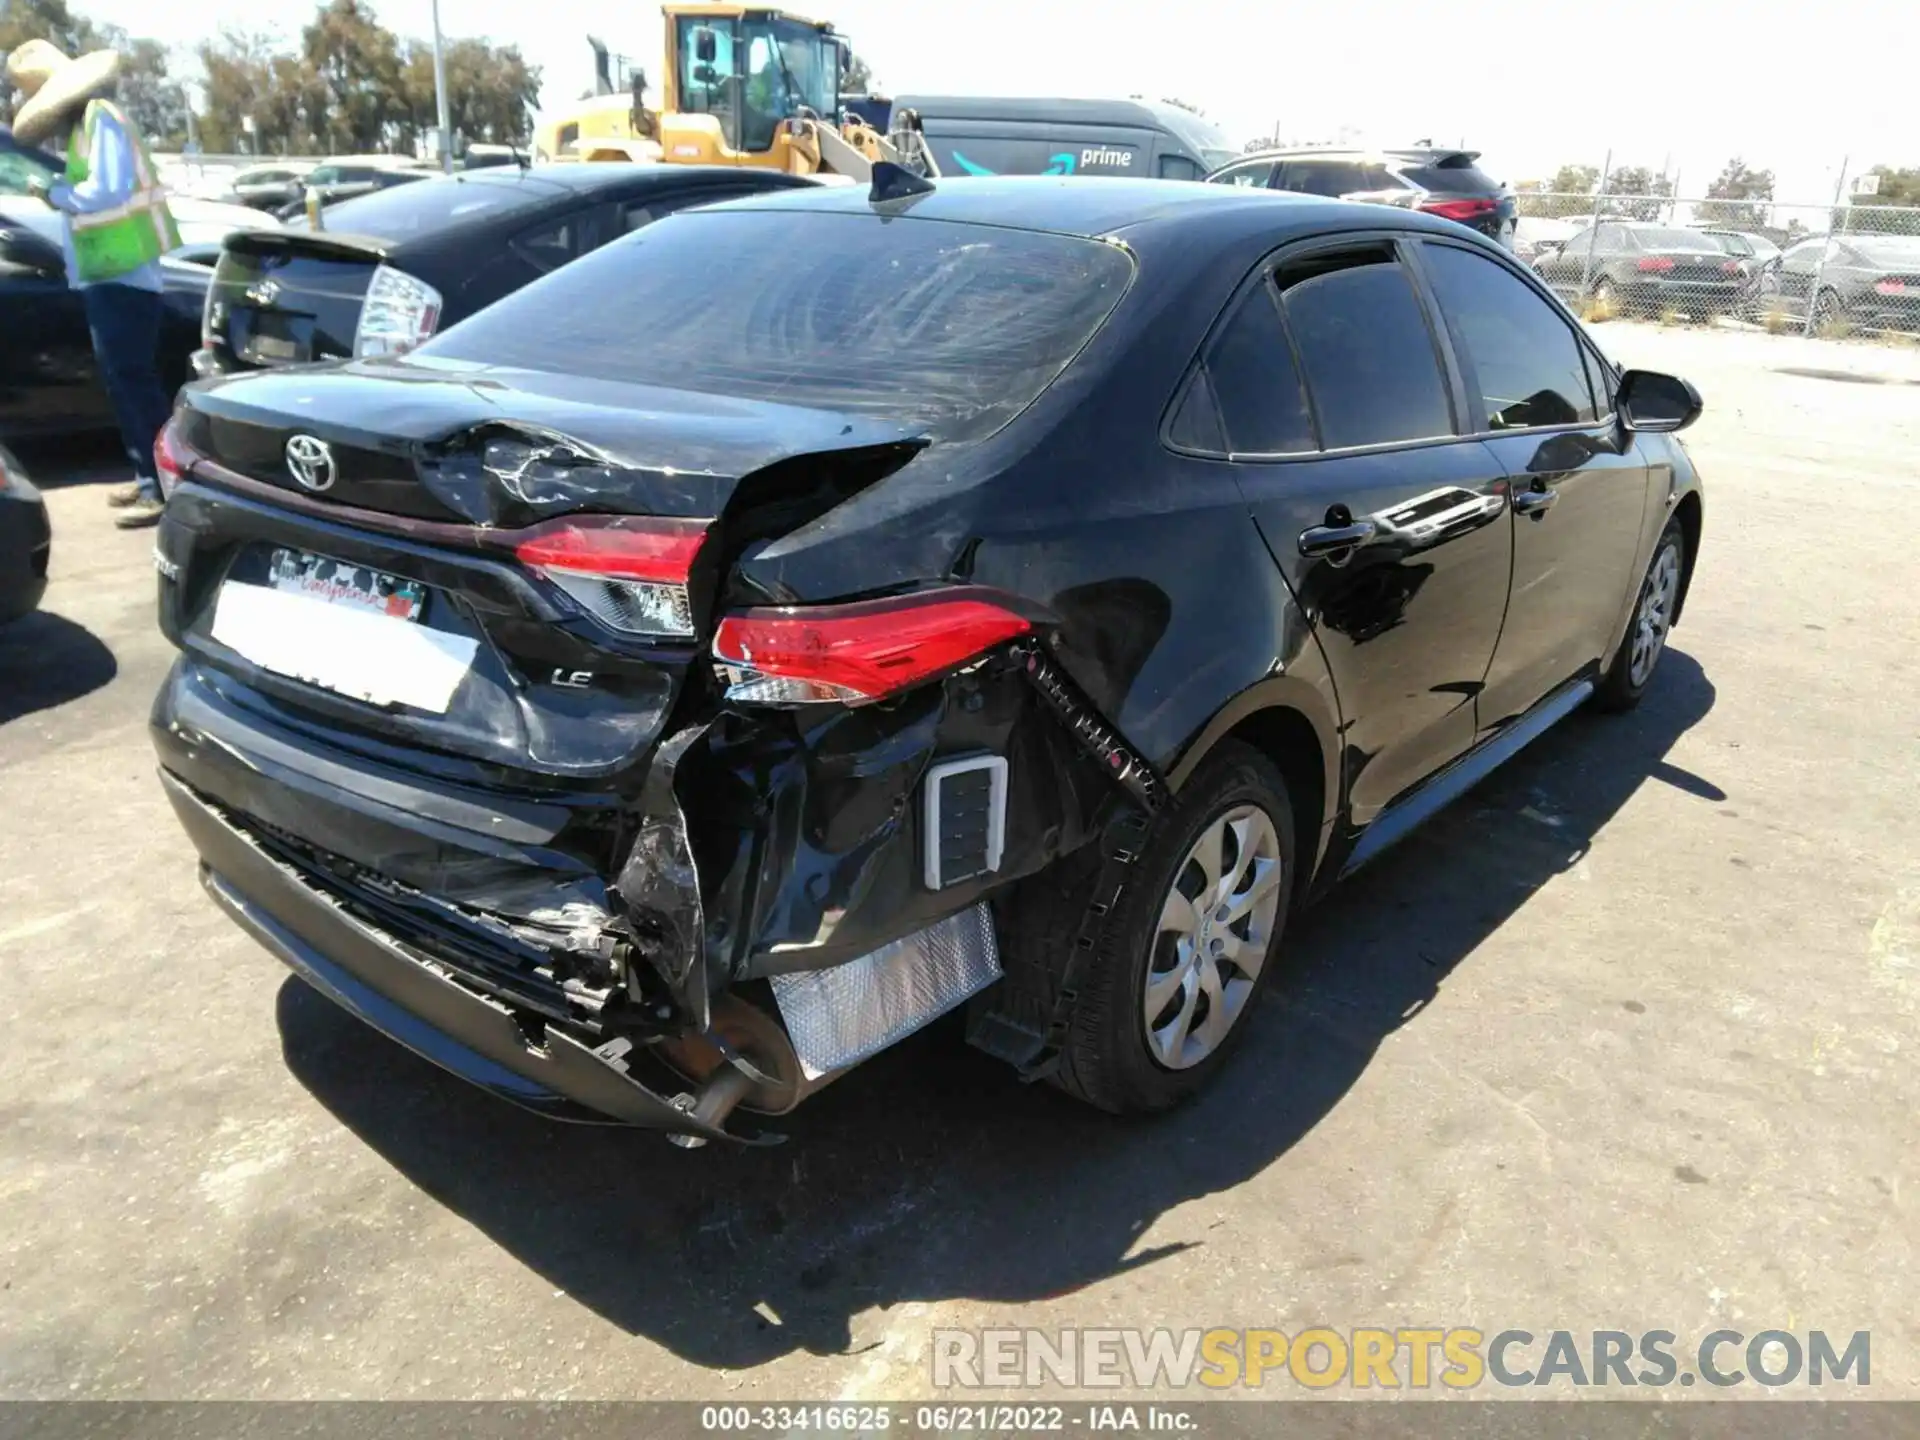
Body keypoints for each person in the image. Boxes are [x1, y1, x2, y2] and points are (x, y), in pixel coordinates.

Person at [8, 38, 181, 530]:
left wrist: (54, 191)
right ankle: (148, 475)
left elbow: (105, 191)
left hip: (123, 275)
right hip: (110, 272)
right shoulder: (89, 125)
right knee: (125, 381)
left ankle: (162, 483)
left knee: (133, 381)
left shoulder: (101, 118)